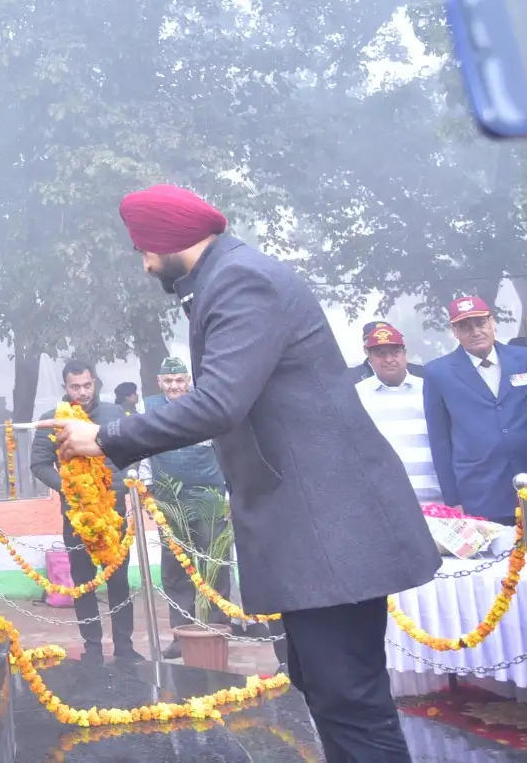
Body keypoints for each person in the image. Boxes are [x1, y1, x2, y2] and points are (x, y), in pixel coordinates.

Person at [53, 184, 439, 763]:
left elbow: (218, 403)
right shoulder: (222, 279)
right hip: (314, 527)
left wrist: (106, 437)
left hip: (327, 526)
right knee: (328, 689)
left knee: (351, 700)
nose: (145, 264)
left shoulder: (239, 279)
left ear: (166, 240)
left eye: (144, 249)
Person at [29, 361, 140, 664]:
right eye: (75, 386)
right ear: (65, 387)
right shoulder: (51, 420)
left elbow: (133, 454)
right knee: (83, 581)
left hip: (113, 510)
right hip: (76, 515)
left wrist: (113, 486)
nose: (82, 392)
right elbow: (38, 464)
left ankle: (125, 647)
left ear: (95, 383)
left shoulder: (114, 415)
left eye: (87, 385)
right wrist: (71, 489)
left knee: (118, 581)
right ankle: (92, 648)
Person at [422, 295, 527, 522]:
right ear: (454, 331)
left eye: (480, 323)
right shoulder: (438, 373)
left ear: (492, 322)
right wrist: (453, 501)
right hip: (481, 492)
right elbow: (439, 441)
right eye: (465, 326)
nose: (475, 332)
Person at [143, 357, 232, 659]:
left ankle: (217, 628)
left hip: (209, 496)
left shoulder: (205, 405)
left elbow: (226, 449)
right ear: (160, 383)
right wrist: (145, 489)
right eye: (168, 381)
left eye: (180, 380)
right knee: (176, 565)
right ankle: (181, 634)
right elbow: (141, 448)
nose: (175, 386)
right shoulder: (149, 407)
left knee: (214, 561)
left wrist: (230, 495)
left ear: (188, 380)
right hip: (169, 499)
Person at [353, 323, 439, 503]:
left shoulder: (431, 389)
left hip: (437, 501)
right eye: (381, 353)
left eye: (395, 352)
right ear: (369, 357)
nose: (389, 359)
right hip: (384, 504)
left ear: (404, 353)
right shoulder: (355, 396)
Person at [350, 321, 426, 383]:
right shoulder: (350, 379)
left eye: (394, 350)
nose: (388, 359)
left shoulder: (422, 374)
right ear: (366, 350)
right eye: (380, 352)